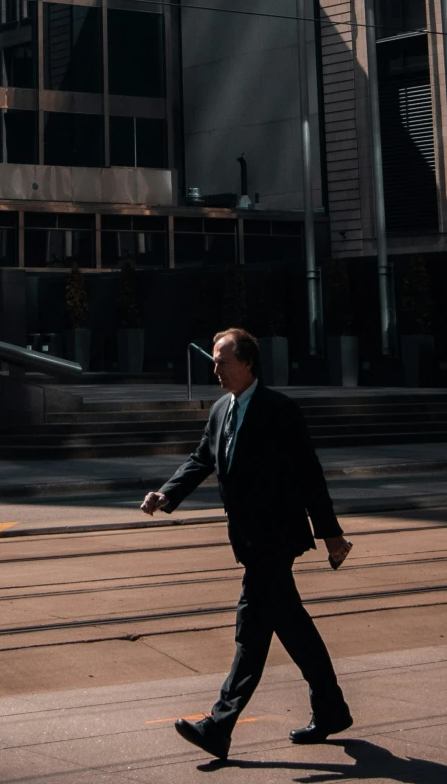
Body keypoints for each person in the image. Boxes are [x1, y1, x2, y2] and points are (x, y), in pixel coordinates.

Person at [141, 324, 352, 761]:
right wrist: (168, 493)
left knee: (251, 632)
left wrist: (330, 534)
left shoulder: (280, 410)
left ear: (247, 363)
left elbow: (309, 476)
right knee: (291, 626)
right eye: (214, 362)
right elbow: (203, 458)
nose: (215, 369)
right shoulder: (222, 409)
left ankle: (219, 725)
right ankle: (331, 709)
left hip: (275, 538)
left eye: (222, 361)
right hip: (248, 539)